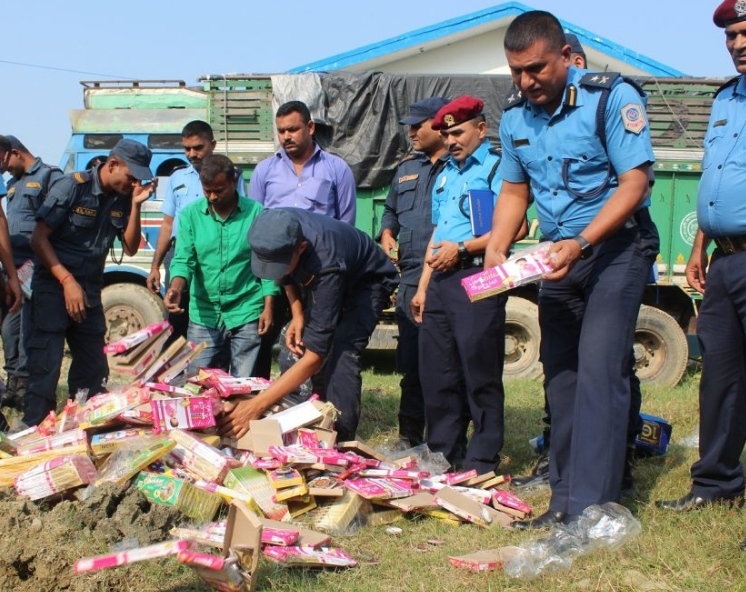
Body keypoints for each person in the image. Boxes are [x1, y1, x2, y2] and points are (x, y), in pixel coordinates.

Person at [486, 10, 658, 528]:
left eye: (536, 68)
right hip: (557, 258)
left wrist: (582, 242)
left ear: (566, 55)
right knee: (561, 377)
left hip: (615, 251)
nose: (526, 81)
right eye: (516, 71)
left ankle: (592, 507)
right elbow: (515, 190)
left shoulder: (612, 98)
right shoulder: (516, 117)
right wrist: (497, 247)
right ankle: (562, 498)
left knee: (602, 372)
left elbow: (635, 183)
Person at [656, 1, 746, 543]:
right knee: (721, 380)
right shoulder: (724, 100)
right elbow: (715, 181)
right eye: (732, 35)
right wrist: (699, 244)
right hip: (725, 259)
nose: (738, 43)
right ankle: (716, 483)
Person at [218, 207, 398, 442]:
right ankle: (314, 416)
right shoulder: (274, 226)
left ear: (301, 248)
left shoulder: (326, 261)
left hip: (367, 283)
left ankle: (339, 438)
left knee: (342, 353)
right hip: (326, 273)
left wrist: (256, 405)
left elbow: (315, 357)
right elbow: (282, 274)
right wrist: (297, 312)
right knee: (298, 348)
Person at [410, 96, 514, 475]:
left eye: (458, 132)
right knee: (438, 371)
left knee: (479, 370)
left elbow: (513, 227)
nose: (451, 140)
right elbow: (438, 233)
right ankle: (443, 452)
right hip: (441, 278)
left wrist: (465, 248)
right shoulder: (447, 174)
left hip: (480, 274)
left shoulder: (499, 168)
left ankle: (482, 459)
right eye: (446, 134)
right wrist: (424, 285)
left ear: (481, 129)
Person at [22, 139, 155, 427]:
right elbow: (38, 238)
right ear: (112, 164)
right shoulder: (72, 186)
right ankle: (34, 434)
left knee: (93, 374)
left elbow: (130, 247)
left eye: (138, 180)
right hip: (55, 289)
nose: (133, 183)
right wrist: (67, 281)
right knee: (45, 371)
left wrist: (136, 204)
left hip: (90, 292)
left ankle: (83, 433)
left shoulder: (123, 196)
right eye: (130, 177)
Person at [249, 100, 357, 379]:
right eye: (281, 130)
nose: (286, 136)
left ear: (309, 127)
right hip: (276, 275)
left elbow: (345, 227)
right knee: (263, 340)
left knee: (317, 343)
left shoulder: (336, 169)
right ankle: (261, 403)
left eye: (293, 129)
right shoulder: (264, 172)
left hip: (317, 274)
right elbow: (257, 227)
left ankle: (316, 406)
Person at [163, 154, 277, 377]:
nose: (212, 197)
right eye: (207, 191)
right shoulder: (190, 215)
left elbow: (266, 263)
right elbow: (184, 259)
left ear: (233, 182)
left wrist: (268, 305)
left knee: (242, 388)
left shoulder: (257, 213)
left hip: (246, 310)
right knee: (198, 383)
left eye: (219, 190)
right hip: (204, 314)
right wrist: (176, 288)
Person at [378, 96, 449, 448]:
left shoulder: (457, 165)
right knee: (412, 364)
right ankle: (409, 435)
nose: (410, 132)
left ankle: (446, 440)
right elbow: (390, 210)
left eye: (417, 125)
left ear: (439, 124)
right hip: (409, 279)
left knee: (445, 365)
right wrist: (387, 232)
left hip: (447, 276)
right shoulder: (407, 168)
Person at [147, 120, 245, 341]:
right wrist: (155, 266)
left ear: (212, 144)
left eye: (198, 148)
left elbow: (241, 218)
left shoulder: (231, 177)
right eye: (187, 148)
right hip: (180, 256)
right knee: (177, 318)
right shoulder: (177, 178)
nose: (191, 154)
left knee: (217, 319)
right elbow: (167, 224)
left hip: (217, 256)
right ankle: (176, 374)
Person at [0, 135, 64, 412]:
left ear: (14, 152)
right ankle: (14, 385)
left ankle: (28, 389)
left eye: (3, 161)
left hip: (35, 269)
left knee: (29, 331)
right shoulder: (12, 184)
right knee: (10, 331)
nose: (3, 169)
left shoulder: (50, 176)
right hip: (12, 268)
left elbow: (56, 225)